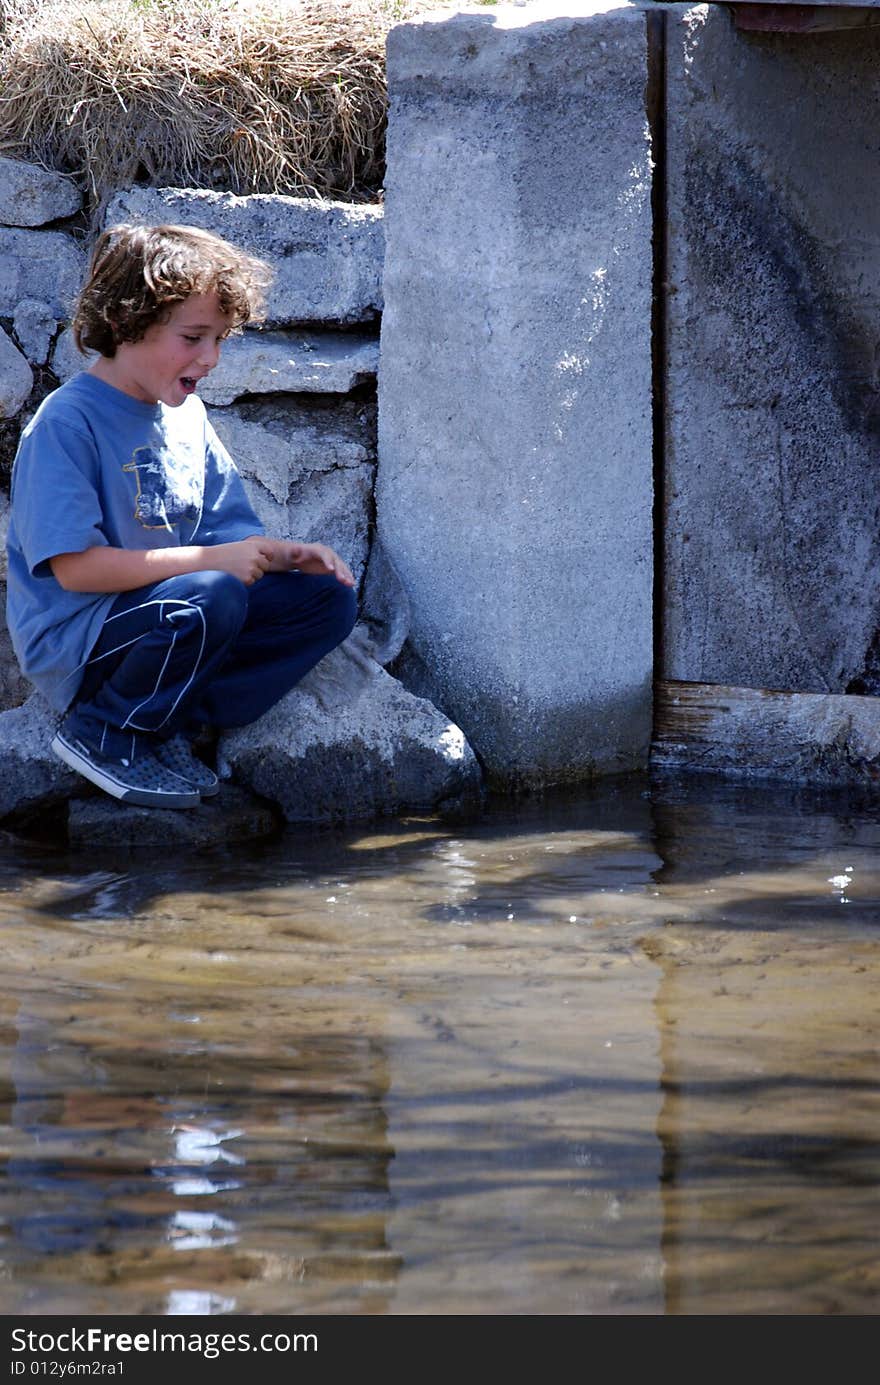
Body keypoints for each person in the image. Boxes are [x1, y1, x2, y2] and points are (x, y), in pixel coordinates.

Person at [5, 222, 358, 809]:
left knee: (328, 598)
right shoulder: (66, 424)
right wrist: (212, 562)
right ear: (125, 322)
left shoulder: (186, 418)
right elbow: (76, 572)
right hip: (84, 645)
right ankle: (105, 729)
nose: (211, 358)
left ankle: (171, 719)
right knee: (209, 593)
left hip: (178, 610)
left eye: (220, 339)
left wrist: (288, 557)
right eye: (194, 337)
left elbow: (228, 538)